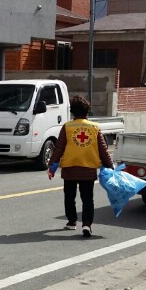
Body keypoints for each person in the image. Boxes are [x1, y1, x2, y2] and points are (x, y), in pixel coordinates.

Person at [47, 95, 114, 238]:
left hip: (70, 169)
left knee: (69, 197)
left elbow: (58, 149)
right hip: (88, 170)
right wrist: (110, 166)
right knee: (87, 198)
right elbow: (103, 150)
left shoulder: (67, 127)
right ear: (87, 111)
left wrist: (52, 168)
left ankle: (72, 222)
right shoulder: (95, 128)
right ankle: (87, 224)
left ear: (72, 112)